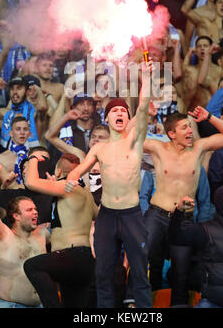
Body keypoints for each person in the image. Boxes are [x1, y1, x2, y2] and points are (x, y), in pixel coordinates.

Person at [65, 61, 154, 308]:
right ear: (106, 118)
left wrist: (145, 79)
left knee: (138, 273)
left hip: (132, 215)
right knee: (102, 273)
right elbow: (78, 171)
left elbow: (144, 107)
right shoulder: (99, 147)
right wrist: (71, 181)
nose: (120, 115)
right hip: (106, 216)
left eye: (124, 112)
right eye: (115, 112)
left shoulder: (135, 141)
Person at [141, 106, 223, 306]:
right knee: (144, 259)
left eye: (190, 127)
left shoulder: (199, 148)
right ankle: (140, 305)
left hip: (184, 219)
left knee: (181, 271)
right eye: (184, 128)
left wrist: (208, 117)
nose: (189, 131)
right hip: (157, 215)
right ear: (171, 134)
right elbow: (131, 140)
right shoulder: (159, 148)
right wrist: (144, 113)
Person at [23, 150, 98, 308]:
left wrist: (33, 158)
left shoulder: (66, 188)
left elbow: (30, 181)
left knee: (32, 266)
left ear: (58, 171)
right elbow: (96, 215)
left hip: (70, 256)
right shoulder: (87, 195)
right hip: (85, 260)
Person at [0, 161, 50, 308]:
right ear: (16, 216)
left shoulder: (42, 233)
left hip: (41, 304)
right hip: (11, 305)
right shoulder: (4, 235)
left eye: (35, 209)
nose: (35, 212)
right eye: (30, 210)